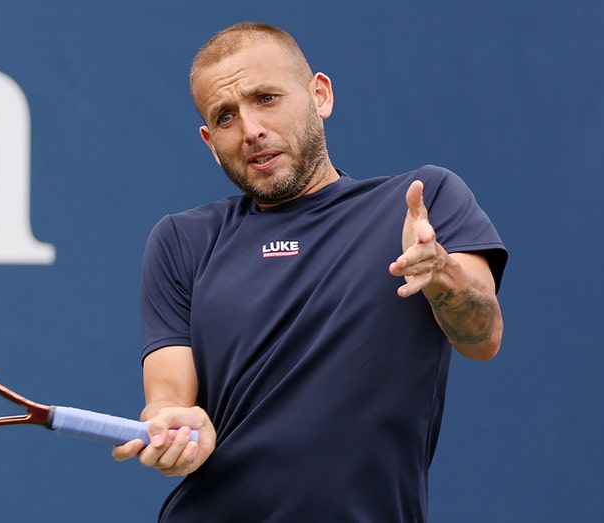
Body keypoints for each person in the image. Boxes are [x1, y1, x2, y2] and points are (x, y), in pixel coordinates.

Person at [112, 21, 507, 522]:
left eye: (267, 99)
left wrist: (442, 278)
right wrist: (176, 427)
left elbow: (483, 337)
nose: (251, 129)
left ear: (319, 95)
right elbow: (168, 397)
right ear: (211, 142)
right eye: (226, 116)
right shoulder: (181, 241)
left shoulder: (423, 202)